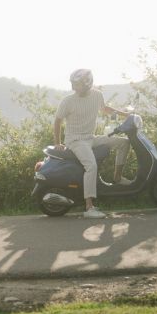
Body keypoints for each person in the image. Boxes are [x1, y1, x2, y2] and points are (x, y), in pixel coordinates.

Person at [54, 69, 131, 219]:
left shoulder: (97, 95)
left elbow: (105, 109)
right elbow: (57, 121)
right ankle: (89, 207)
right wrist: (57, 143)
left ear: (88, 84)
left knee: (124, 143)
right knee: (91, 166)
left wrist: (126, 115)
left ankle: (117, 177)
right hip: (75, 141)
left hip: (90, 138)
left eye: (77, 85)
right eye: (73, 84)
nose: (74, 88)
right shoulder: (68, 101)